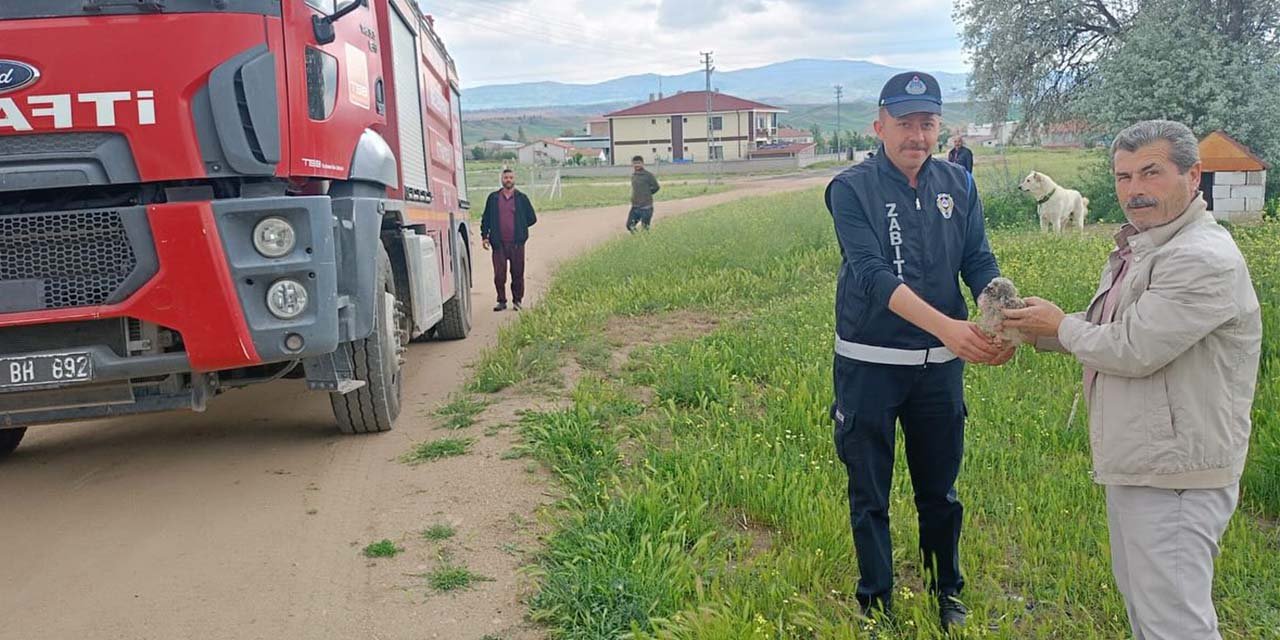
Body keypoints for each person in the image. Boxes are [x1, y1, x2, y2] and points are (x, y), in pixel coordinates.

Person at [1003, 120, 1262, 640]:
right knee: (1150, 616)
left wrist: (1059, 326)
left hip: (1178, 474)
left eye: (1151, 173)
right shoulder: (1146, 246)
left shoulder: (1199, 258)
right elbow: (1118, 329)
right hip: (1146, 461)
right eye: (1123, 177)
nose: (1134, 190)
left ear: (1194, 175)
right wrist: (1037, 332)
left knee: (1174, 624)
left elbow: (1135, 349)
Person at [825, 70, 1012, 632]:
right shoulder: (850, 189)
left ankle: (945, 593)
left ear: (940, 126)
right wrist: (948, 329)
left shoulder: (959, 182)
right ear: (879, 126)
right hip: (869, 365)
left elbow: (978, 260)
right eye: (905, 123)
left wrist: (998, 313)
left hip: (938, 374)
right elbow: (873, 276)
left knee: (941, 493)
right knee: (870, 495)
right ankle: (875, 603)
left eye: (927, 123)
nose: (917, 135)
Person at [480, 168, 537, 311]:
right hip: (498, 243)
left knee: (517, 273)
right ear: (501, 179)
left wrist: (521, 228)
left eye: (511, 177)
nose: (508, 180)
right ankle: (501, 301)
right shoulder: (493, 198)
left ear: (514, 179)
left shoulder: (521, 198)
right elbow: (485, 218)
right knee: (499, 275)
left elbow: (532, 218)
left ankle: (517, 301)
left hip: (517, 243)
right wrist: (484, 236)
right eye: (506, 178)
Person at [626, 155, 661, 232]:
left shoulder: (648, 175)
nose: (637, 165)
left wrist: (647, 194)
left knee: (645, 229)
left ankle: (645, 242)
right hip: (635, 207)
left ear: (642, 163)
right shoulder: (633, 175)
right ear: (632, 164)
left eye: (638, 163)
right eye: (635, 163)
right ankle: (638, 239)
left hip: (646, 207)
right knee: (629, 225)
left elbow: (656, 187)